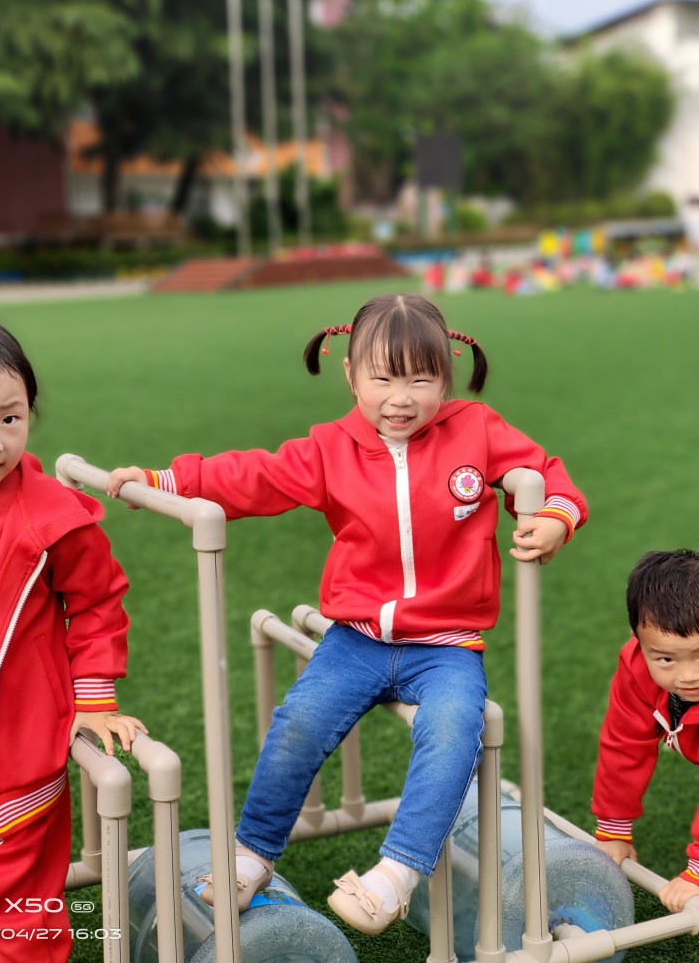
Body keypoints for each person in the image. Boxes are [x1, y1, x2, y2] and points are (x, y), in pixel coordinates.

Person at [107, 293, 587, 935]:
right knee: (298, 724)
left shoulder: (475, 429)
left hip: (446, 644)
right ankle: (250, 857)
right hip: (357, 637)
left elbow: (545, 469)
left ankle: (396, 875)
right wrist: (166, 480)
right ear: (351, 375)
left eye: (421, 380)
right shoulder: (330, 447)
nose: (401, 398)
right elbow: (254, 477)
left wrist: (557, 515)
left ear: (446, 376)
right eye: (383, 378)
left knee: (454, 731)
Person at [0, 316, 146, 962]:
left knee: (14, 917)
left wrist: (94, 701)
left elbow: (97, 602)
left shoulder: (51, 518)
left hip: (8, 754)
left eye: (11, 418)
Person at [593, 549, 699, 914]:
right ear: (639, 641)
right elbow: (623, 746)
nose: (688, 676)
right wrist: (613, 831)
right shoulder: (636, 668)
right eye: (666, 659)